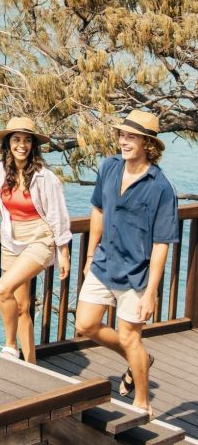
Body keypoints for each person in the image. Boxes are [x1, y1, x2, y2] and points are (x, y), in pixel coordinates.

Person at [75, 110, 178, 418]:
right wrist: (91, 254)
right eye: (122, 135)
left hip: (137, 275)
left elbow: (162, 244)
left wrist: (151, 293)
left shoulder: (161, 187)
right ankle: (140, 361)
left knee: (130, 337)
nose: (124, 141)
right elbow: (98, 211)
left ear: (148, 143)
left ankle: (143, 403)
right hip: (104, 262)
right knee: (85, 324)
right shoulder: (109, 167)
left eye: (131, 137)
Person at [0, 117, 71, 363]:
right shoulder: (0, 171)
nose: (22, 145)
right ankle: (31, 363)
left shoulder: (44, 177)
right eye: (16, 140)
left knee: (2, 287)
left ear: (33, 145)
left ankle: (9, 346)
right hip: (11, 240)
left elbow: (58, 216)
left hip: (40, 239)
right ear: (8, 144)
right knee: (21, 305)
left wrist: (64, 253)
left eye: (27, 140)